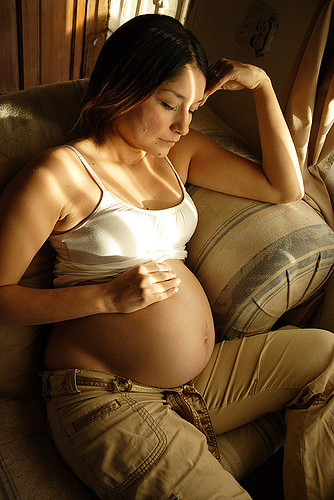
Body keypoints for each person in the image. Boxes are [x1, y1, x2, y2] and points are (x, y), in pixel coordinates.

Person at [0, 13, 333, 500]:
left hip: (198, 382)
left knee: (327, 355)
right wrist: (105, 298)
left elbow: (285, 188)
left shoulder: (177, 155)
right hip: (107, 399)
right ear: (123, 86)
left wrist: (262, 87)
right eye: (169, 104)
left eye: (193, 109)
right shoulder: (59, 174)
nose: (183, 125)